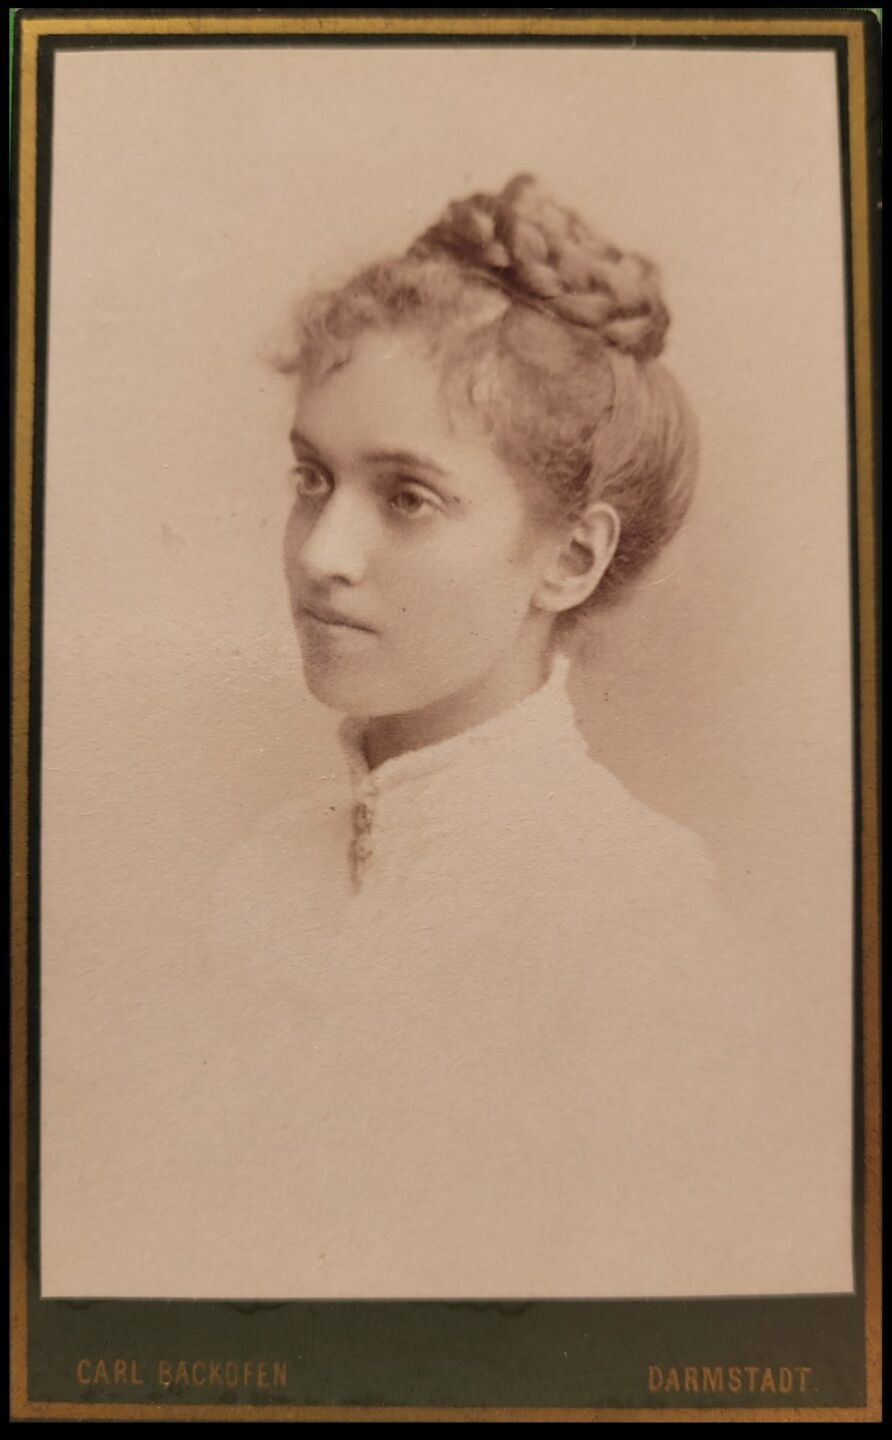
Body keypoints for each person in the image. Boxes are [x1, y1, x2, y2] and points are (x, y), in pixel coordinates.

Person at [195, 175, 850, 1300]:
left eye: (407, 497)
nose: (319, 554)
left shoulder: (636, 924)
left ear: (569, 559)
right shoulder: (268, 872)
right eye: (312, 479)